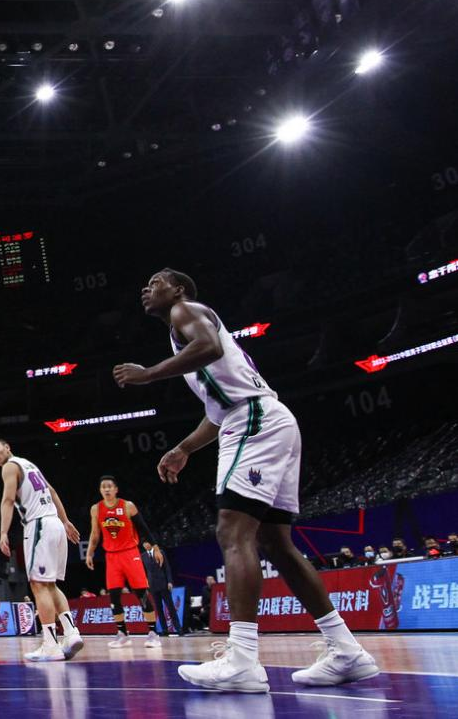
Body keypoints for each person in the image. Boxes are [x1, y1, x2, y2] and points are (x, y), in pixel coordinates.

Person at [115, 268, 379, 692]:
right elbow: (218, 411)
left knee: (232, 532)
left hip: (254, 419)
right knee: (276, 543)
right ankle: (347, 650)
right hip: (264, 418)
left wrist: (147, 374)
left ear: (178, 289)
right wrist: (183, 448)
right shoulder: (184, 328)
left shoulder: (187, 311)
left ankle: (241, 659)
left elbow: (208, 347)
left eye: (156, 282)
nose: (146, 288)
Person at [0, 434, 84, 663]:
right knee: (49, 585)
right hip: (55, 524)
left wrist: (2, 533)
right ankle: (70, 634)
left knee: (38, 586)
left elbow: (7, 501)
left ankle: (50, 645)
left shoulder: (10, 467)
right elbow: (53, 491)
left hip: (38, 525)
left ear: (7, 446)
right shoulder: (28, 464)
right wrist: (66, 521)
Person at [85, 476, 162, 649]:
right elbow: (95, 534)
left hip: (130, 554)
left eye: (110, 486)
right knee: (113, 597)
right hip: (111, 557)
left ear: (116, 489)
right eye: (103, 487)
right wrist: (90, 552)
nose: (106, 489)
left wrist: (155, 548)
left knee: (142, 594)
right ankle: (122, 634)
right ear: (100, 490)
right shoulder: (96, 509)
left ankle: (153, 633)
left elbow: (144, 528)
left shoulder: (127, 506)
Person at [142, 542, 180, 636]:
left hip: (163, 583)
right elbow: (144, 572)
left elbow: (167, 568)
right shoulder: (143, 556)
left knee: (170, 607)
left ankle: (178, 628)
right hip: (153, 586)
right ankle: (164, 630)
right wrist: (145, 586)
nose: (145, 545)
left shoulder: (160, 552)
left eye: (146, 543)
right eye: (143, 544)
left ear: (150, 544)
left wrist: (170, 581)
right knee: (159, 609)